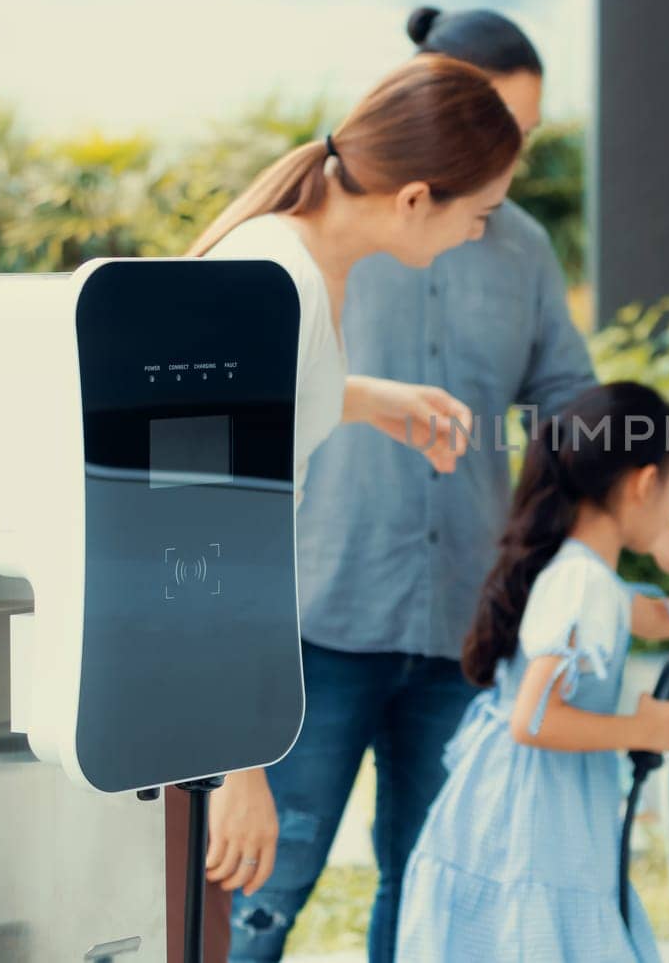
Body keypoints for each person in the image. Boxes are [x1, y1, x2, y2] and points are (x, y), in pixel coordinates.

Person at [225, 8, 669, 962]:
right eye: (497, 132)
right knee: (261, 885)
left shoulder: (512, 247)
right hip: (318, 610)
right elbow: (228, 488)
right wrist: (232, 760)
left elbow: (567, 401)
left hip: (460, 619)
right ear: (434, 136)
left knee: (438, 880)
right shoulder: (309, 257)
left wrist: (655, 529)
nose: (512, 162)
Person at [162, 54, 524, 963]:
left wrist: (370, 400)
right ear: (413, 200)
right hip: (205, 677)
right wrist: (240, 769)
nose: (477, 236)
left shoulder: (306, 263)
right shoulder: (274, 282)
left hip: (217, 669)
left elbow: (267, 406)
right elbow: (208, 538)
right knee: (228, 924)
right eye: (477, 214)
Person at [395, 382, 669, 962]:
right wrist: (641, 730)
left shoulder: (583, 573)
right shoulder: (583, 584)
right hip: (534, 830)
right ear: (645, 483)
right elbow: (534, 718)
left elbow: (653, 615)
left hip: (526, 814)